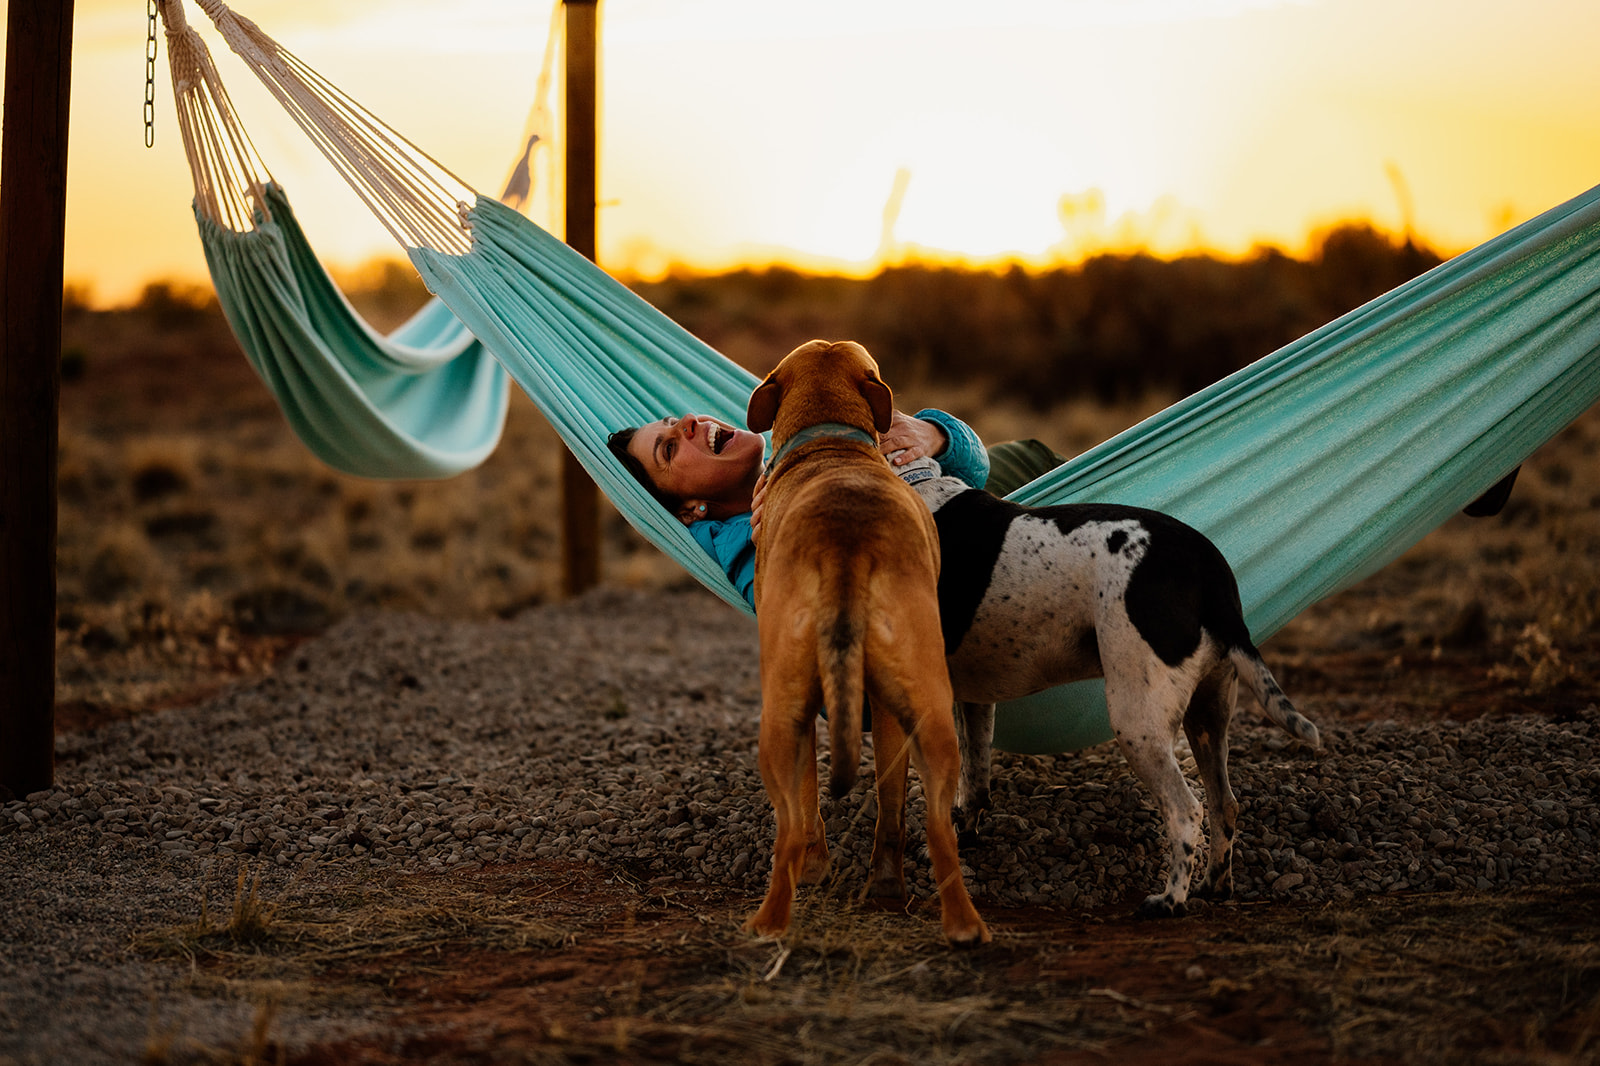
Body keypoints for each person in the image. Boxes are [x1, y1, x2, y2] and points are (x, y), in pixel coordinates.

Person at [607, 406, 1061, 608]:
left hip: (998, 491)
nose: (688, 421)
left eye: (673, 420)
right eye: (668, 449)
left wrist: (931, 435)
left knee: (1032, 455)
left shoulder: (792, 449)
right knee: (1038, 463)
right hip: (984, 542)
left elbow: (975, 467)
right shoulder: (749, 544)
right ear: (691, 511)